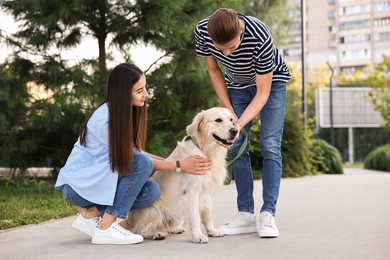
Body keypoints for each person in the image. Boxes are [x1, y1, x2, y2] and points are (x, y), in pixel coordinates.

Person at [55, 63, 211, 245]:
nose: (146, 94)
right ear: (123, 93)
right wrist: (179, 166)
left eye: (145, 88)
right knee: (143, 163)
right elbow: (139, 160)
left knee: (151, 191)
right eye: (139, 91)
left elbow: (139, 153)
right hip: (79, 188)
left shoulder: (120, 113)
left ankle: (90, 215)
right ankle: (106, 227)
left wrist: (178, 162)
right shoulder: (105, 120)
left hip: (98, 184)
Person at [194, 8, 291, 238]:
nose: (226, 54)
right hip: (236, 86)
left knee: (269, 145)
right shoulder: (202, 31)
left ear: (240, 29)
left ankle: (268, 213)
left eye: (232, 47)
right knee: (236, 145)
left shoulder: (259, 35)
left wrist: (238, 123)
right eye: (221, 49)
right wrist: (229, 112)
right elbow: (214, 70)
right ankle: (245, 213)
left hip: (271, 84)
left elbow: (263, 92)